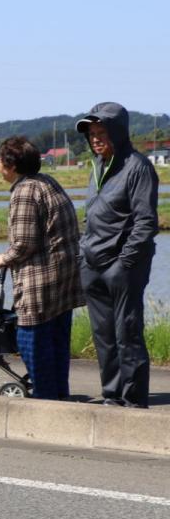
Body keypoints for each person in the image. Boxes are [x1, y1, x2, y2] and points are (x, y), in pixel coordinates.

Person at [76, 103, 159, 408]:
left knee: (127, 334)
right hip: (92, 264)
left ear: (118, 132)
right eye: (92, 134)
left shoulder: (137, 167)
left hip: (123, 267)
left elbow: (146, 221)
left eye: (102, 132)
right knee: (104, 337)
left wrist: (124, 263)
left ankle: (134, 401)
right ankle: (112, 396)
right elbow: (92, 216)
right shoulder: (97, 166)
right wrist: (83, 255)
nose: (96, 139)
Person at [0, 137, 85, 401]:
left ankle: (45, 400)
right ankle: (59, 395)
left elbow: (23, 244)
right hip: (64, 278)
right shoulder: (48, 182)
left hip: (40, 280)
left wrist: (2, 258)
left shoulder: (24, 191)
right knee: (57, 343)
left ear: (10, 165)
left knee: (31, 341)